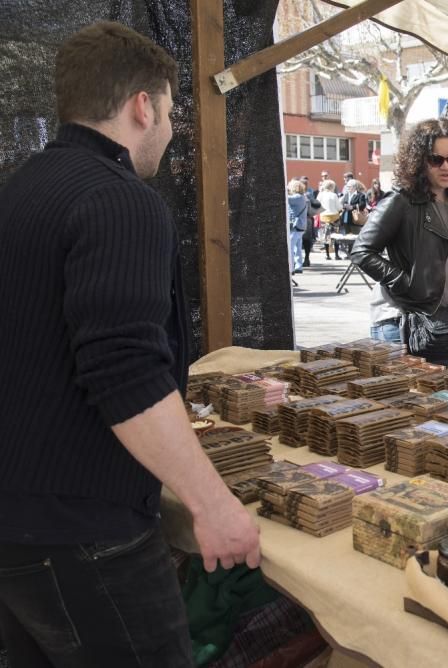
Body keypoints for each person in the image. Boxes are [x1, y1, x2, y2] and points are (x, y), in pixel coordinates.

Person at [0, 22, 259, 666]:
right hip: (86, 530)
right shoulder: (121, 201)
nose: (170, 134)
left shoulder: (19, 189)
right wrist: (212, 504)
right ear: (143, 106)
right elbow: (124, 371)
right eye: (171, 112)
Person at [351, 118, 448, 365]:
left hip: (444, 323)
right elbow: (362, 251)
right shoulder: (402, 200)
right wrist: (405, 283)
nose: (446, 167)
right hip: (401, 322)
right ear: (420, 160)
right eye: (436, 159)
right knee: (403, 401)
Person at [317, 178, 342, 260]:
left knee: (326, 237)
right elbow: (339, 207)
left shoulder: (320, 195)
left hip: (324, 217)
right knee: (336, 237)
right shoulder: (334, 195)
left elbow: (317, 204)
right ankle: (337, 255)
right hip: (334, 217)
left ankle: (327, 255)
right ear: (332, 187)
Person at [287, 178, 308, 273]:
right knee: (297, 247)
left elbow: (286, 199)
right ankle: (299, 266)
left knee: (290, 247)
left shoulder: (297, 197)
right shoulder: (303, 197)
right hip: (301, 225)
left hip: (296, 226)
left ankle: (291, 268)